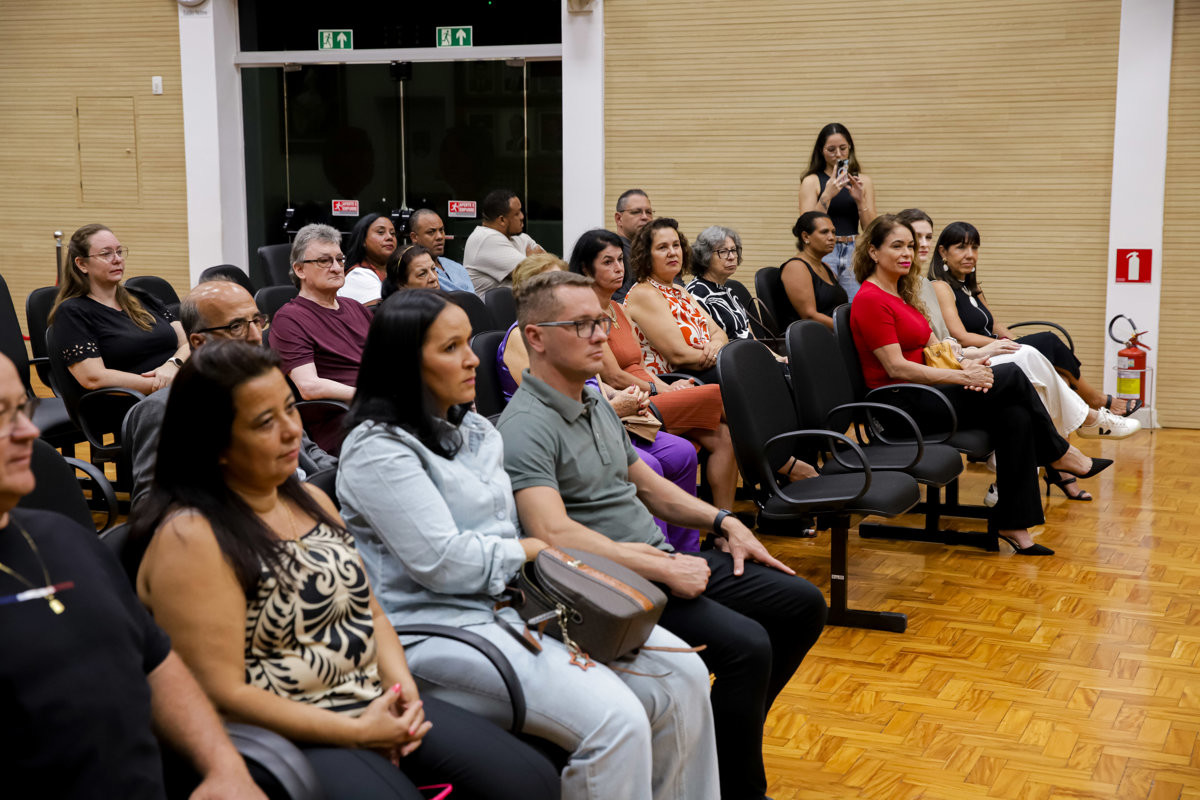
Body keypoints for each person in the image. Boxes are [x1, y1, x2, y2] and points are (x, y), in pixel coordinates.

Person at [132, 341, 559, 800]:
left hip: (371, 699)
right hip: (288, 732)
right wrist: (357, 732)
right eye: (264, 423)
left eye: (290, 410)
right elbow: (221, 694)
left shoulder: (311, 500)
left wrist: (405, 697)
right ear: (213, 444)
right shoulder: (190, 536)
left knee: (531, 781)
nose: (292, 431)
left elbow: (371, 615)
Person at [337, 290, 718, 800]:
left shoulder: (473, 430)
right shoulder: (378, 449)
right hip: (433, 630)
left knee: (685, 675)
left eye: (467, 344)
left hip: (512, 606)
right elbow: (444, 565)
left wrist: (537, 554)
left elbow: (500, 538)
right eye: (451, 348)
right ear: (405, 363)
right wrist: (534, 550)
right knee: (617, 720)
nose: (473, 358)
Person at [498, 270, 829, 800]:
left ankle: (721, 745)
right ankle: (741, 787)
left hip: (658, 562)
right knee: (748, 648)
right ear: (535, 337)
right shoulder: (524, 426)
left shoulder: (593, 404)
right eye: (581, 325)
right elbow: (551, 533)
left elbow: (653, 489)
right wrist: (664, 566)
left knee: (802, 605)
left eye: (601, 322)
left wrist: (726, 521)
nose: (600, 335)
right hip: (608, 585)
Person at [0, 352, 264, 799]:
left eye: (20, 408)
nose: (28, 431)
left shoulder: (67, 536)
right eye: (0, 417)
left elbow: (157, 662)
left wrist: (224, 766)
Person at [848, 215, 1114, 554]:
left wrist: (970, 360)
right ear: (873, 251)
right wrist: (963, 376)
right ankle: (1060, 453)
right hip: (902, 407)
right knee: (1015, 376)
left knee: (1015, 414)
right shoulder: (871, 299)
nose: (908, 253)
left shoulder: (902, 294)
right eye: (897, 246)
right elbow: (897, 368)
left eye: (911, 246)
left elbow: (937, 349)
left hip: (931, 394)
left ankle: (1015, 523)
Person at [500, 251, 703, 551]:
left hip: (602, 415)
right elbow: (549, 398)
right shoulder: (525, 338)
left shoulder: (580, 331)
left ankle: (686, 551)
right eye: (552, 283)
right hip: (571, 429)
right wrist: (615, 405)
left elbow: (592, 385)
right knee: (650, 467)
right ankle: (658, 552)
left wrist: (619, 396)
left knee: (683, 453)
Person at [127, 279, 337, 510]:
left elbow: (307, 450)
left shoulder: (267, 383)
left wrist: (343, 475)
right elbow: (151, 505)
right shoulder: (163, 410)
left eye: (257, 321)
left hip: (310, 502)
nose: (256, 336)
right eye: (237, 326)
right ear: (199, 341)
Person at [929, 220, 1144, 425]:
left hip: (998, 347)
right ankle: (1098, 400)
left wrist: (1011, 340)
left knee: (1062, 378)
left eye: (975, 248)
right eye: (961, 248)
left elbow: (995, 325)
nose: (970, 255)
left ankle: (1059, 457)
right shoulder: (941, 287)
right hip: (978, 356)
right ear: (942, 252)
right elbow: (961, 336)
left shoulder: (971, 287)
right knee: (1049, 339)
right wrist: (1002, 345)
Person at [48, 224, 190, 395]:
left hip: (176, 386)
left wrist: (173, 364)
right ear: (82, 264)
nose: (117, 259)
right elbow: (94, 378)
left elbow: (189, 342)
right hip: (133, 402)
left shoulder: (141, 297)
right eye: (106, 253)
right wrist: (162, 384)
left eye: (119, 252)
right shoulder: (72, 312)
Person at [270, 223, 373, 451]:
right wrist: (372, 396)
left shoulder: (356, 307)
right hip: (343, 422)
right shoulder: (289, 318)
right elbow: (309, 386)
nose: (337, 268)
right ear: (299, 270)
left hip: (381, 409)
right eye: (324, 261)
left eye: (339, 259)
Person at [624, 217, 729, 382]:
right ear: (646, 256)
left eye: (676, 245)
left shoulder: (679, 290)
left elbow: (719, 333)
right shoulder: (645, 293)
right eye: (662, 247)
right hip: (674, 381)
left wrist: (715, 347)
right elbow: (679, 356)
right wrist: (721, 357)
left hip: (706, 369)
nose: (672, 252)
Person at [797, 123, 877, 300]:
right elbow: (805, 226)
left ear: (850, 148)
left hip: (854, 249)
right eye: (831, 149)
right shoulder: (812, 181)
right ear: (821, 151)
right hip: (823, 250)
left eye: (843, 148)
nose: (838, 155)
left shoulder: (863, 181)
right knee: (826, 302)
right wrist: (827, 195)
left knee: (855, 303)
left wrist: (860, 200)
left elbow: (871, 229)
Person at [778, 211, 849, 331]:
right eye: (824, 232)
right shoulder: (796, 267)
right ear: (805, 237)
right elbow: (809, 315)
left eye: (833, 232)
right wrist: (848, 329)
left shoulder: (826, 267)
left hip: (834, 335)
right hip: (810, 339)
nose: (832, 238)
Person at [463, 189, 544, 293]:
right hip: (491, 308)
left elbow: (551, 269)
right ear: (502, 220)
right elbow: (536, 274)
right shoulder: (486, 238)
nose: (522, 216)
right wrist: (534, 259)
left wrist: (532, 261)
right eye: (517, 213)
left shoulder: (520, 237)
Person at [687, 225, 753, 340]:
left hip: (750, 354)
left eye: (733, 250)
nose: (731, 257)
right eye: (723, 252)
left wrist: (778, 357)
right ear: (704, 256)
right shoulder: (696, 295)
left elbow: (752, 338)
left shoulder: (729, 292)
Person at [406, 208, 474, 292]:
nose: (440, 237)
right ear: (414, 237)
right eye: (431, 232)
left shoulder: (456, 266)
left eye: (441, 230)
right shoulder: (413, 271)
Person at [339, 213, 399, 305]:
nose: (389, 237)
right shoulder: (358, 276)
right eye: (380, 232)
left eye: (393, 233)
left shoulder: (394, 271)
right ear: (363, 240)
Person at [611, 188, 654, 302]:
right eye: (636, 212)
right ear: (619, 218)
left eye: (649, 212)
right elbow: (620, 302)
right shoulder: (613, 253)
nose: (645, 217)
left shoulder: (656, 251)